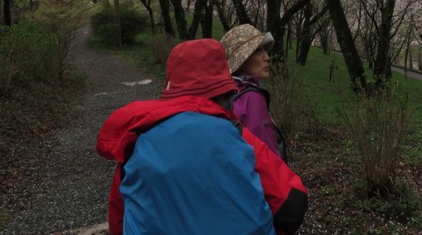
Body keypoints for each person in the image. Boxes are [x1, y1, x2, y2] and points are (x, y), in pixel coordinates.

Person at [96, 38, 307, 235]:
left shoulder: (135, 141)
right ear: (224, 89)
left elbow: (118, 218)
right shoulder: (238, 135)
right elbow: (292, 205)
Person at [221, 24, 287, 160]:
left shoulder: (227, 92)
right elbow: (266, 156)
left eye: (265, 50)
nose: (267, 57)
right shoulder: (251, 99)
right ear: (242, 60)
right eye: (258, 51)